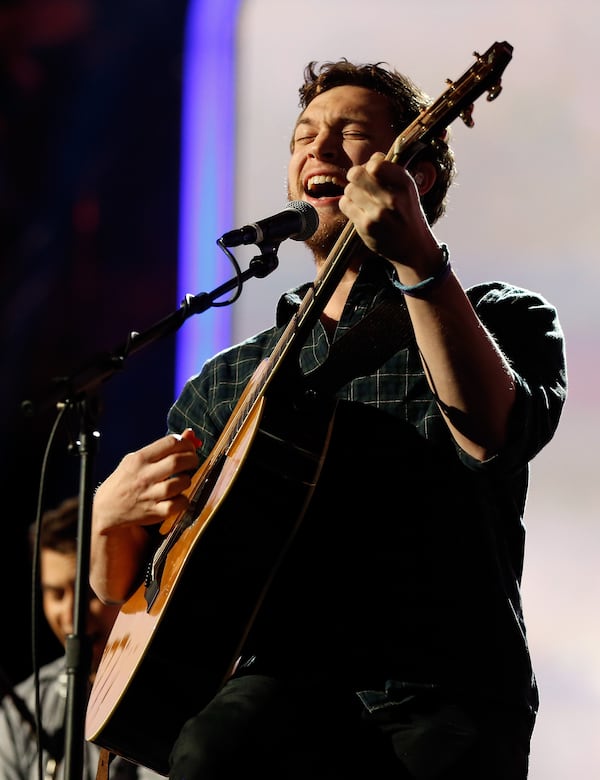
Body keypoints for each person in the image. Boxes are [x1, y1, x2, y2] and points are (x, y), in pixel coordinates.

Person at [88, 59, 567, 780]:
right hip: (284, 687)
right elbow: (141, 589)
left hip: (445, 692)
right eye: (303, 136)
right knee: (210, 748)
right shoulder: (229, 380)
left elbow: (494, 437)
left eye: (349, 134)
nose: (318, 148)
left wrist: (418, 261)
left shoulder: (499, 318)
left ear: (416, 174)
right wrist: (109, 521)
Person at [0, 496, 162, 779]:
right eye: (57, 594)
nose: (71, 615)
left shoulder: (169, 692)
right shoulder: (22, 710)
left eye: (87, 592)